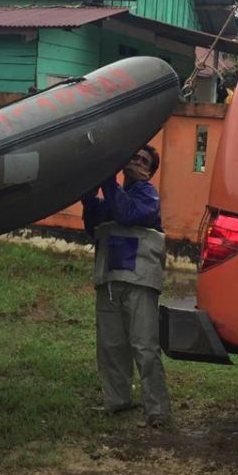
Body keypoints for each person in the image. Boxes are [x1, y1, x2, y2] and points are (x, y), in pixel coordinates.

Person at [81, 144, 171, 428]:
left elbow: (128, 214)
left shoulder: (147, 194)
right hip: (109, 278)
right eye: (132, 156)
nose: (136, 162)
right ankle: (117, 399)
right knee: (110, 344)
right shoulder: (114, 195)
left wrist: (107, 179)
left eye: (143, 160)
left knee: (144, 345)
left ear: (149, 171)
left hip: (139, 280)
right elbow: (93, 220)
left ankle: (157, 409)